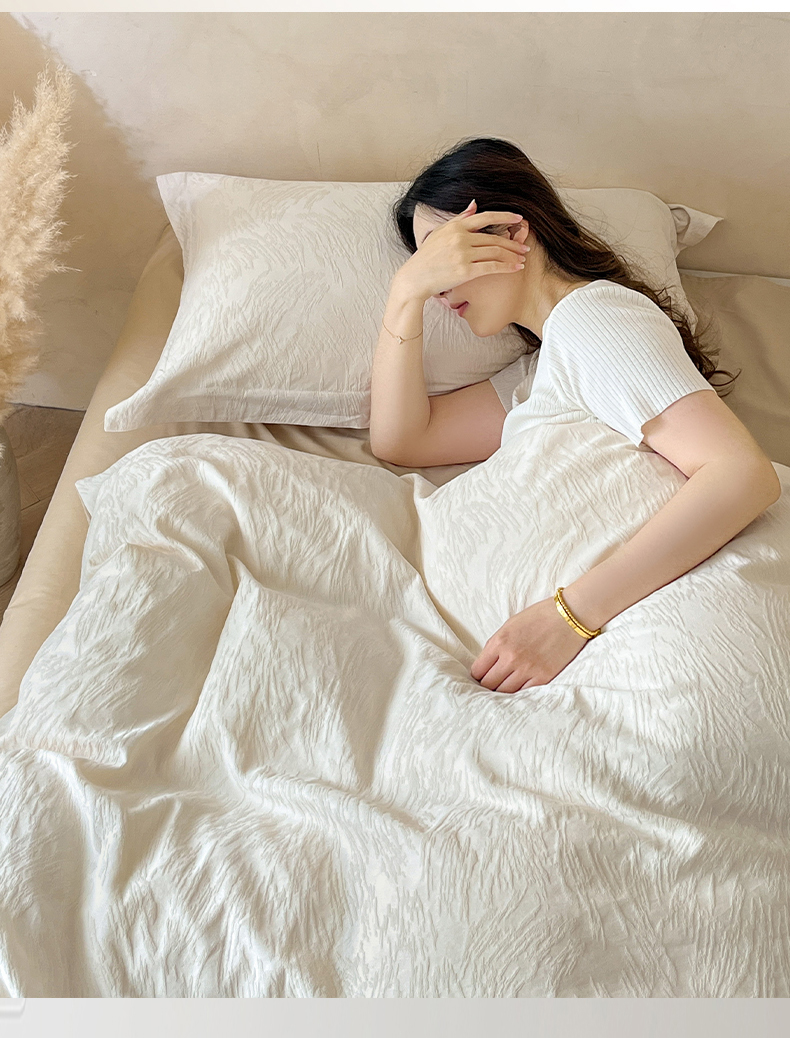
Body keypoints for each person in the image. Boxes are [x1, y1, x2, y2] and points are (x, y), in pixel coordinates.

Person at [369, 136, 781, 694]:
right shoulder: (548, 363)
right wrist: (404, 296)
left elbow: (741, 474)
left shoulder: (595, 319)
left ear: (511, 232)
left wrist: (569, 617)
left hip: (652, 646)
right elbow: (402, 440)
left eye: (439, 257)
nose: (435, 287)